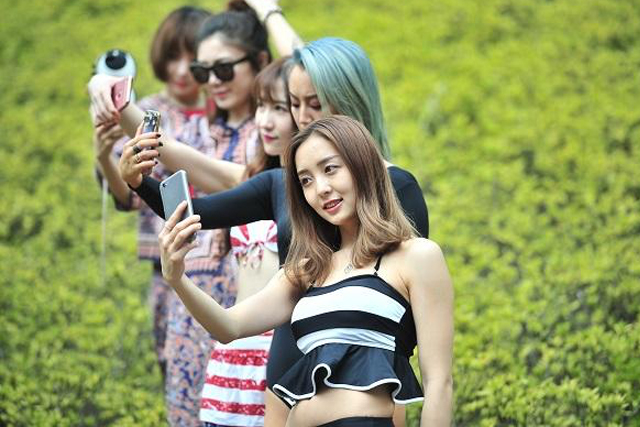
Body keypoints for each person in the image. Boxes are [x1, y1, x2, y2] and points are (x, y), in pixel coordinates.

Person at [115, 35, 429, 426]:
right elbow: (198, 214)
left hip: (364, 375)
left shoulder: (396, 187)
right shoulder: (284, 186)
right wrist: (137, 180)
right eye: (294, 103)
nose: (302, 116)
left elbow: (406, 313)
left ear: (350, 99)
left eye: (314, 103)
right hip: (288, 364)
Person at [157, 115, 454, 426]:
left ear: (362, 165)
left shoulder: (416, 256)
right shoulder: (308, 269)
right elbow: (228, 327)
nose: (321, 189)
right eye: (306, 180)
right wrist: (177, 278)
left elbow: (439, 384)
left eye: (330, 169)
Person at [89, 2, 271, 425]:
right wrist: (103, 85)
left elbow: (312, 77)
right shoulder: (189, 128)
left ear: (259, 64)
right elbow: (152, 150)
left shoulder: (270, 135)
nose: (210, 81)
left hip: (252, 306)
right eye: (206, 72)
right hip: (187, 299)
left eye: (222, 69)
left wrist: (270, 13)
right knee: (188, 411)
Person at [90, 4, 214, 419]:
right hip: (168, 264)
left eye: (192, 59)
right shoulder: (142, 112)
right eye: (172, 56)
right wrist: (104, 155)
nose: (180, 70)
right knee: (171, 358)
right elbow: (126, 198)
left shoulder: (223, 110)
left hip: (220, 259)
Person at [199, 57, 295, 427]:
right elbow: (175, 154)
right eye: (261, 106)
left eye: (279, 108)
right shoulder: (253, 181)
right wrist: (119, 106)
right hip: (235, 351)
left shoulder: (318, 195)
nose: (264, 121)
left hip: (282, 351)